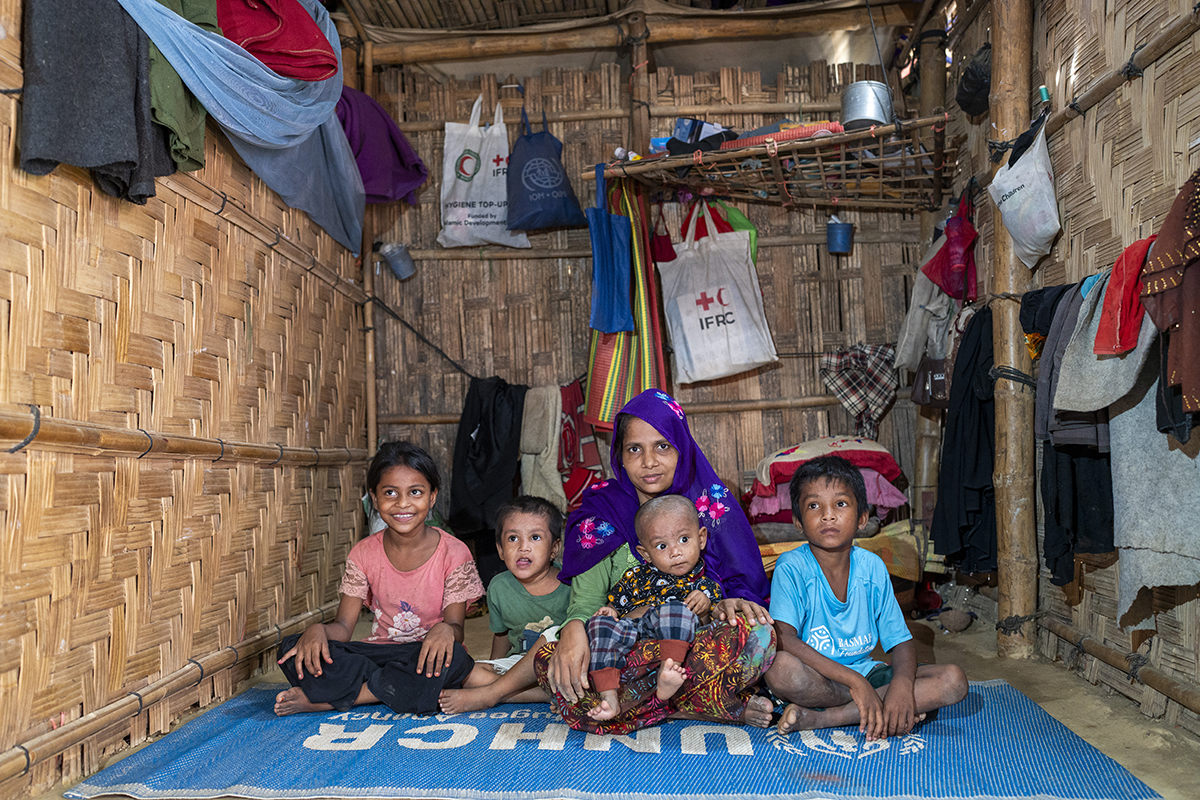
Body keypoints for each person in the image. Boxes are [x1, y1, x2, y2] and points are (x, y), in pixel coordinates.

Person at [440, 389, 775, 732]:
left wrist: (730, 603)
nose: (649, 461)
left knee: (759, 636)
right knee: (555, 655)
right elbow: (587, 601)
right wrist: (573, 629)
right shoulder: (602, 512)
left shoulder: (711, 504)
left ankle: (645, 703)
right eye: (635, 449)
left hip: (691, 643)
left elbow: (743, 582)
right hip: (624, 645)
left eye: (663, 446)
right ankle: (703, 704)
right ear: (619, 455)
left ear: (682, 447)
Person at [274, 441, 486, 716]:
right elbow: (343, 627)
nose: (403, 503)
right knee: (293, 647)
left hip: (425, 657)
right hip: (379, 655)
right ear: (374, 498)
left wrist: (447, 629)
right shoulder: (363, 553)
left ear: (432, 496)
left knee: (455, 660)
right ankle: (392, 688)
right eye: (390, 493)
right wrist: (317, 630)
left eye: (415, 492)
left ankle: (329, 700)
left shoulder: (454, 552)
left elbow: (456, 627)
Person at [765, 455, 968, 738]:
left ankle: (827, 718)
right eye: (814, 506)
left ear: (862, 517)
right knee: (779, 670)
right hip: (819, 676)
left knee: (953, 680)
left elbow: (901, 642)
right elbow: (784, 638)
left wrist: (900, 686)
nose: (828, 515)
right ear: (798, 521)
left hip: (868, 673)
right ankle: (873, 703)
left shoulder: (872, 567)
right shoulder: (792, 566)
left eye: (841, 504)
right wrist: (856, 684)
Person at [585, 494, 723, 721]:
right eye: (661, 546)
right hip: (630, 643)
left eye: (684, 540)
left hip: (670, 651)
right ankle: (608, 697)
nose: (675, 552)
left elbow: (708, 628)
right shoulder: (634, 577)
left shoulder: (704, 587)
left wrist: (705, 609)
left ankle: (667, 674)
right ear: (645, 554)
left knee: (676, 609)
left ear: (701, 538)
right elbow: (615, 605)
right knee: (597, 623)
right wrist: (610, 611)